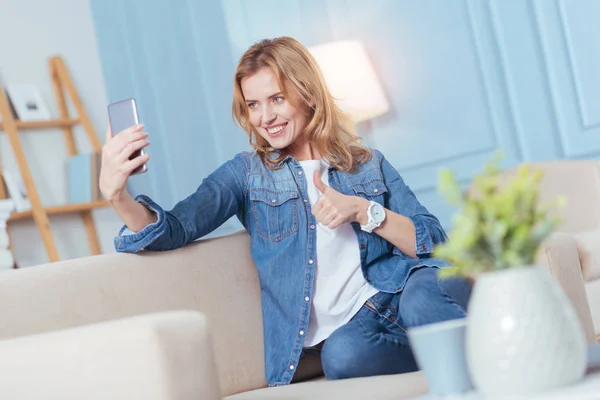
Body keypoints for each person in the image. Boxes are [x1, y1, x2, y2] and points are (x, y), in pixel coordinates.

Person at [99, 36, 471, 387]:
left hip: (408, 287)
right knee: (342, 358)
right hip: (358, 330)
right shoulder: (245, 175)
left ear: (307, 93)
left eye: (277, 98)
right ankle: (456, 356)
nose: (265, 117)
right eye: (253, 104)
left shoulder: (365, 163)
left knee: (423, 298)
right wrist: (118, 197)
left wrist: (363, 210)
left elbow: (433, 242)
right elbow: (176, 227)